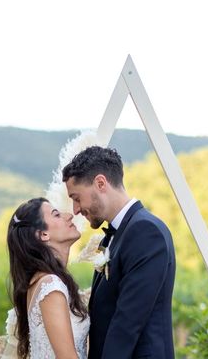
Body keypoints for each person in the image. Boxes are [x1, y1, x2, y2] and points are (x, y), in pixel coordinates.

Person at [62, 146, 176, 359]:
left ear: (100, 183)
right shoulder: (114, 234)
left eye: (77, 198)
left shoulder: (145, 232)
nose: (76, 209)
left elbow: (127, 323)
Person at [6, 197, 90, 359]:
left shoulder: (40, 281)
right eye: (56, 215)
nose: (69, 215)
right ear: (43, 234)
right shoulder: (51, 286)